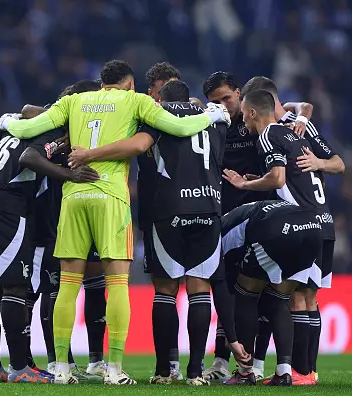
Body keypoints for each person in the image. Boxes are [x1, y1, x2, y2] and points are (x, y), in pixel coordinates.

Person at [0, 59, 230, 385]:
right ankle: (114, 369)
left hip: (73, 198)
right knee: (117, 282)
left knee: (68, 284)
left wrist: (8, 121)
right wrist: (210, 115)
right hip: (110, 197)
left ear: (102, 82)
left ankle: (61, 368)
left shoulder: (74, 101)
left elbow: (27, 129)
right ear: (129, 84)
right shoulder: (135, 101)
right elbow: (179, 128)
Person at [68, 79, 247, 386]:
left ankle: (165, 370)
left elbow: (139, 146)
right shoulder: (216, 120)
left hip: (169, 208)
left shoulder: (156, 117)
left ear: (161, 98)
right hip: (208, 208)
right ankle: (195, 372)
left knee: (165, 291)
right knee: (199, 290)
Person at [0, 115, 99, 384]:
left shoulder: (17, 128)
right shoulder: (50, 131)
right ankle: (20, 368)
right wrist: (69, 174)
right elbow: (29, 158)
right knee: (15, 288)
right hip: (6, 210)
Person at [201, 71, 313, 382]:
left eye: (226, 98)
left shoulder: (260, 123)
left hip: (266, 219)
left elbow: (297, 105)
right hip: (229, 216)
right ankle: (225, 361)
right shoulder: (214, 122)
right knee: (230, 289)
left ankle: (254, 366)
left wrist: (302, 114)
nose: (223, 105)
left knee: (256, 294)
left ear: (239, 94)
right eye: (216, 101)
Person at [223, 88, 335, 385]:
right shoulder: (294, 132)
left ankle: (247, 371)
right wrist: (258, 181)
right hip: (315, 224)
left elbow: (278, 178)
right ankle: (293, 371)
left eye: (245, 112)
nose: (243, 117)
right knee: (284, 297)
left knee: (247, 291)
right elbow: (280, 176)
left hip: (288, 222)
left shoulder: (268, 135)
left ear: (251, 112)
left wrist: (246, 186)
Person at [26, 80, 106, 381]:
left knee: (95, 278)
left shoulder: (94, 128)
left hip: (92, 211)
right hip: (53, 220)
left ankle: (95, 359)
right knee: (52, 287)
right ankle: (57, 360)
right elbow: (27, 112)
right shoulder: (55, 132)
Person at [220, 200, 323, 386]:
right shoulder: (239, 213)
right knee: (278, 300)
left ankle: (245, 373)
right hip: (313, 228)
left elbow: (226, 293)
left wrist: (232, 336)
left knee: (245, 294)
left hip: (277, 230)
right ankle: (284, 372)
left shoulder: (219, 236)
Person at [142, 61, 183, 381]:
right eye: (161, 91)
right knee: (165, 288)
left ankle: (204, 364)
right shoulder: (140, 115)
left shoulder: (194, 114)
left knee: (198, 288)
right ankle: (168, 364)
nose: (167, 98)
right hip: (155, 209)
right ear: (151, 91)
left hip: (194, 208)